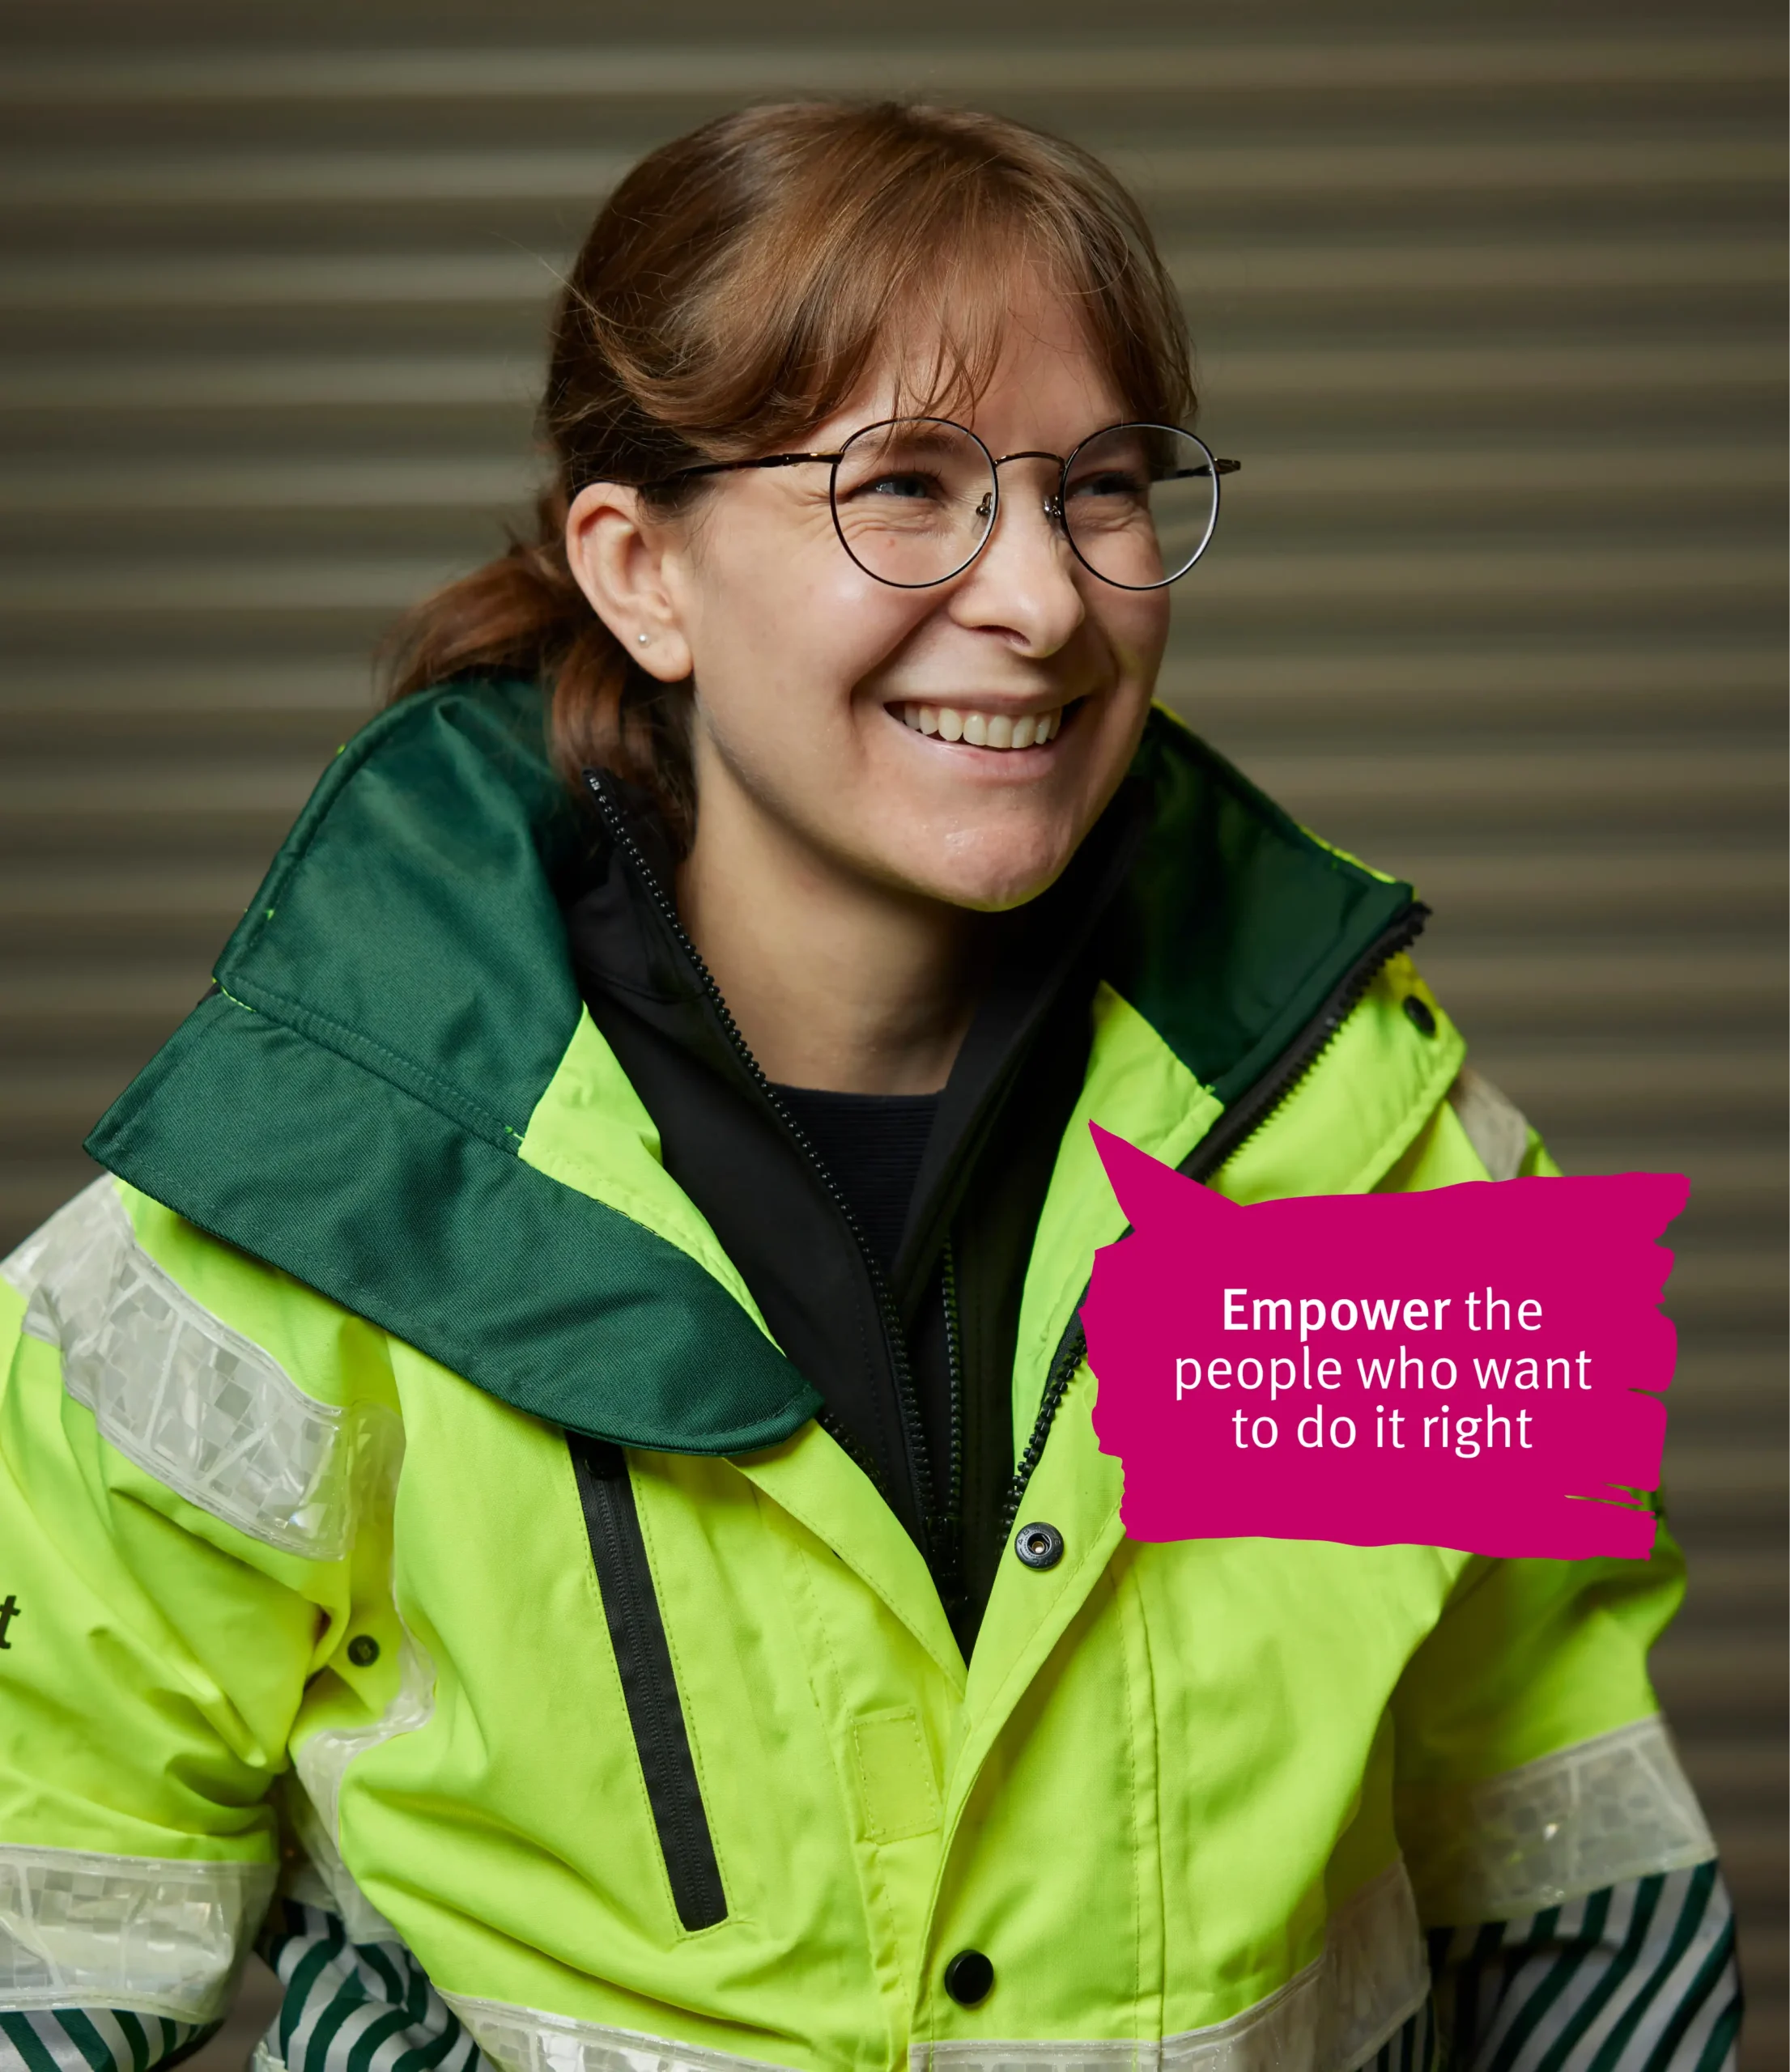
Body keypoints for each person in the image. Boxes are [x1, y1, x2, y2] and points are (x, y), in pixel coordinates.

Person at [0, 100, 1740, 2072]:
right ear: (639, 569)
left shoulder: (1378, 1177)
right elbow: (41, 1945)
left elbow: (1579, 1906)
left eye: (1099, 489)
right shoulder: (312, 1201)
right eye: (904, 486)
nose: (1043, 599)